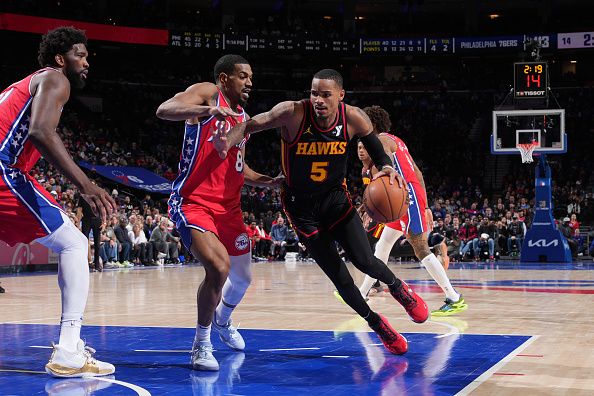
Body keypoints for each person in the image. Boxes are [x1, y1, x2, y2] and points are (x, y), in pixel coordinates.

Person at [214, 68, 429, 355]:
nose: (318, 99)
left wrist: (387, 167)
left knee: (364, 259)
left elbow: (376, 148)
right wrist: (226, 140)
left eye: (326, 94)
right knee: (340, 278)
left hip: (335, 200)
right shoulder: (292, 113)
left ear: (340, 96)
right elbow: (252, 124)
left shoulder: (353, 117)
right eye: (314, 93)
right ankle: (377, 323)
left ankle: (397, 286)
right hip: (301, 210)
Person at [0, 27, 116, 377]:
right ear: (60, 58)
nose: (86, 63)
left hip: (11, 170)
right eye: (80, 55)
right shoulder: (55, 79)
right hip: (4, 170)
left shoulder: (22, 85)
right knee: (73, 243)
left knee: (70, 239)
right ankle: (68, 349)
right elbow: (40, 131)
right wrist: (85, 185)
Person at [156, 54, 282, 371]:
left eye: (251, 76)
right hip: (194, 201)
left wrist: (269, 182)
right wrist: (207, 110)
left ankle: (223, 320)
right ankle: (201, 345)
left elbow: (239, 167)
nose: (250, 81)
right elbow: (164, 110)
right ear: (225, 78)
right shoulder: (208, 93)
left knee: (242, 279)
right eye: (243, 75)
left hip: (230, 209)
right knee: (218, 267)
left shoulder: (245, 119)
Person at [355, 106, 466, 316]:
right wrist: (425, 206)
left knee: (420, 247)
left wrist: (420, 205)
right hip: (409, 194)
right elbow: (417, 172)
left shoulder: (380, 141)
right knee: (384, 243)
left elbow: (385, 165)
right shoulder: (398, 140)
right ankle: (361, 292)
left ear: (372, 124)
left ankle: (453, 297)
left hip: (406, 195)